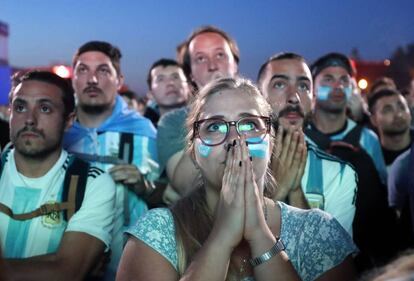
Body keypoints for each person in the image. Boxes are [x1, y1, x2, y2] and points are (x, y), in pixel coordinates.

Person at [117, 77, 357, 281]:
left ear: (271, 142)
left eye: (250, 125)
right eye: (215, 127)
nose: (234, 138)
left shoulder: (318, 230)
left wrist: (259, 234)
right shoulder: (156, 232)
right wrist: (223, 235)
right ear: (193, 150)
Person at [0, 71, 115, 280]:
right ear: (10, 114)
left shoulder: (91, 183)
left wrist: (64, 265)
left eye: (44, 108)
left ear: (69, 120)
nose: (29, 120)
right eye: (20, 107)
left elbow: (67, 272)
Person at [63, 41, 158, 280]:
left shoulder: (144, 130)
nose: (92, 79)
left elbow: (171, 197)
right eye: (83, 70)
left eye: (103, 70)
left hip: (127, 262)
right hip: (64, 260)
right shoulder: (58, 131)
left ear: (119, 79)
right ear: (73, 79)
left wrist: (143, 186)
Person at [305, 53, 397, 272]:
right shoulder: (299, 139)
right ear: (313, 88)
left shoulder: (368, 139)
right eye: (328, 79)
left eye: (344, 80)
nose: (338, 85)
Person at [257, 52, 357, 236]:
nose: (294, 97)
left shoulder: (340, 174)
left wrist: (296, 193)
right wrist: (276, 195)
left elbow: (329, 262)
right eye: (279, 84)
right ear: (259, 96)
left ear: (313, 99)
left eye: (303, 86)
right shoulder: (235, 165)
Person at [157, 26, 240, 203]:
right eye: (200, 59)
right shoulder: (172, 122)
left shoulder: (262, 115)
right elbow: (186, 185)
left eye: (220, 55)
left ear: (235, 64)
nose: (212, 66)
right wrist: (211, 107)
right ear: (191, 74)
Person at [368, 88, 413, 170]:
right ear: (374, 120)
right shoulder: (369, 158)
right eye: (388, 110)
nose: (398, 114)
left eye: (402, 107)